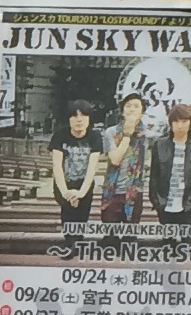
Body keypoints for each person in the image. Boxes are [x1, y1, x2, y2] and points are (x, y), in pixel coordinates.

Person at [149, 101, 191, 227]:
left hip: (187, 205)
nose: (180, 125)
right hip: (165, 204)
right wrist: (156, 201)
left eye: (184, 121)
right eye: (176, 122)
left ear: (190, 122)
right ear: (170, 123)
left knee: (188, 238)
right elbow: (154, 175)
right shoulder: (160, 145)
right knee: (167, 238)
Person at [48, 101, 102, 241]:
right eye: (74, 116)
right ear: (68, 119)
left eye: (83, 116)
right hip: (64, 184)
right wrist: (66, 193)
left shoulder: (95, 137)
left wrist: (81, 193)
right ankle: (70, 244)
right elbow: (57, 166)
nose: (79, 120)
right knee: (68, 215)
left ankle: (77, 244)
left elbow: (92, 168)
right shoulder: (60, 135)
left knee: (81, 219)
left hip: (84, 185)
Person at [101, 93, 150, 225]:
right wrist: (127, 134)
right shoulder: (111, 132)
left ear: (142, 113)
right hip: (112, 191)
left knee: (131, 232)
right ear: (122, 111)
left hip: (134, 192)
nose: (132, 109)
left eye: (136, 106)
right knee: (110, 232)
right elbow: (115, 160)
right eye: (128, 106)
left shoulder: (146, 135)